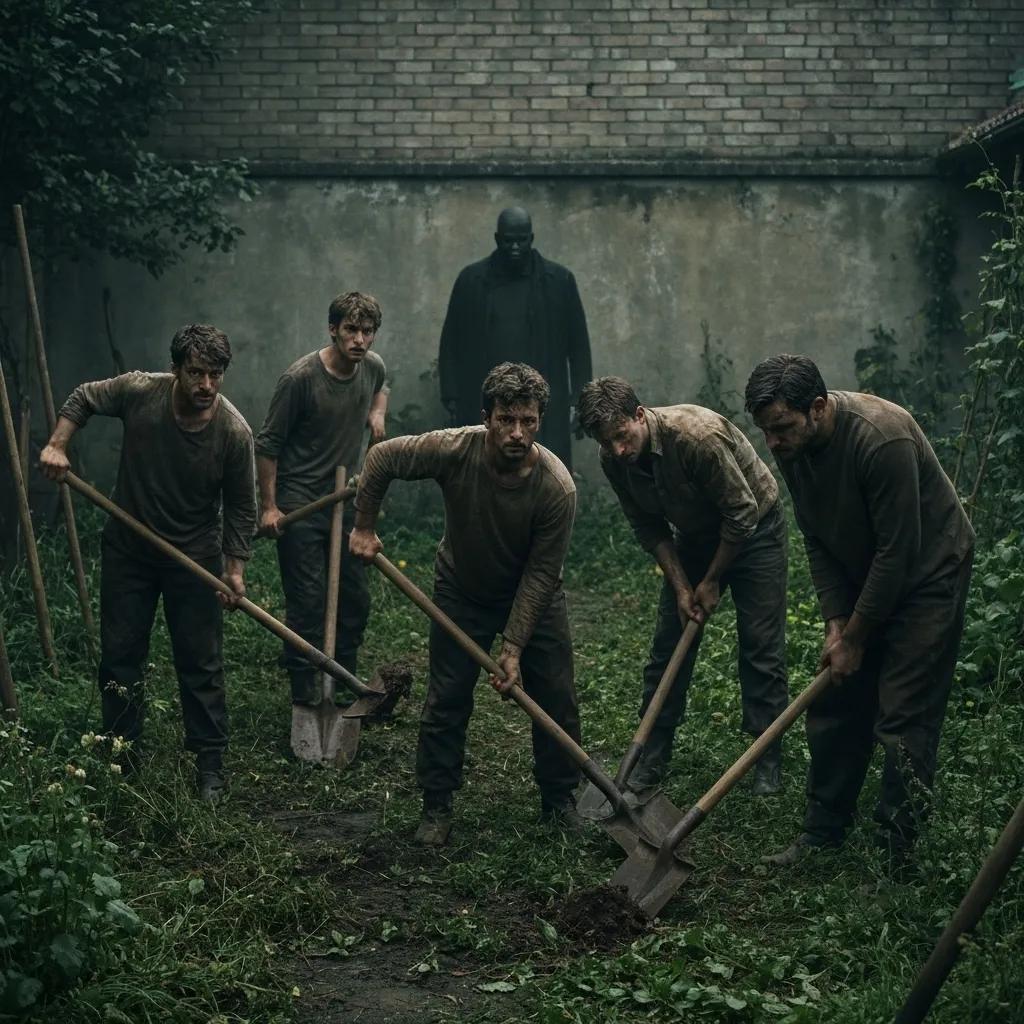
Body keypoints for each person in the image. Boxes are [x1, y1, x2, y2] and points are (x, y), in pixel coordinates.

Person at [744, 354, 975, 866]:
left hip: (927, 574)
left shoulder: (881, 438)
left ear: (818, 407)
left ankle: (897, 854)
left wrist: (856, 636)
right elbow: (816, 537)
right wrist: (837, 625)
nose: (772, 443)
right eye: (765, 431)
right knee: (836, 698)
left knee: (904, 715)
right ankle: (822, 833)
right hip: (864, 565)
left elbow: (898, 552)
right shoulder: (794, 445)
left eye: (781, 428)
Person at [350, 361, 581, 845]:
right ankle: (436, 803)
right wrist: (364, 526)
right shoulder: (455, 449)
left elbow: (542, 574)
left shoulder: (556, 487)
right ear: (486, 418)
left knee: (556, 696)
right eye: (505, 420)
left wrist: (513, 646)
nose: (517, 433)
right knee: (447, 697)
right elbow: (382, 458)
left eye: (528, 421)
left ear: (540, 421)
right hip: (463, 588)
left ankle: (560, 800)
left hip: (533, 594)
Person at [39, 325, 256, 802]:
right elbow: (83, 397)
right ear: (175, 369)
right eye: (196, 373)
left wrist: (234, 569)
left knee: (201, 661)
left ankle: (210, 764)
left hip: (193, 557)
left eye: (215, 374)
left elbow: (242, 507)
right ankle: (122, 753)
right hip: (130, 550)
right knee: (121, 655)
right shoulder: (141, 392)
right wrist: (57, 444)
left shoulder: (233, 432)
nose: (206, 385)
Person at [577, 377, 790, 796]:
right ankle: (651, 754)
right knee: (668, 645)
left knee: (760, 647)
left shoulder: (696, 437)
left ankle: (766, 758)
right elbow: (648, 526)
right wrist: (681, 587)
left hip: (755, 531)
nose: (618, 449)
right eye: (606, 442)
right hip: (695, 536)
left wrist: (710, 582)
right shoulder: (613, 458)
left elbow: (742, 514)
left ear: (640, 416)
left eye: (622, 435)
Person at [255, 292, 388, 703]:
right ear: (333, 329)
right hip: (301, 504)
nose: (360, 340)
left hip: (345, 502)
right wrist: (269, 507)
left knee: (355, 597)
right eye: (351, 330)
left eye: (367, 331)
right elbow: (267, 445)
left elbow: (381, 387)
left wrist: (377, 413)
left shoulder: (372, 367)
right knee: (308, 601)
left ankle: (343, 677)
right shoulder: (300, 379)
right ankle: (305, 687)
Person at [438, 206, 592, 470]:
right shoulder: (471, 281)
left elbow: (578, 346)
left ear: (531, 238)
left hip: (543, 401)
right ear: (497, 239)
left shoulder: (558, 281)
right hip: (485, 399)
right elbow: (451, 340)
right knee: (482, 470)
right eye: (509, 241)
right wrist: (451, 394)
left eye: (522, 240)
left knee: (545, 472)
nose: (515, 247)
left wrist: (580, 398)